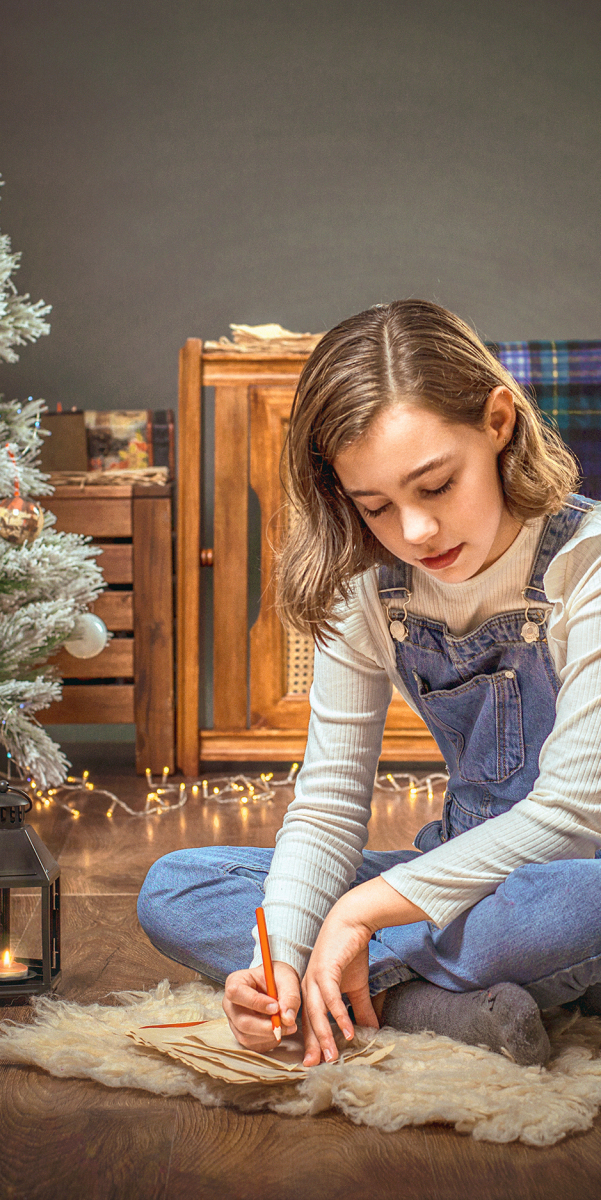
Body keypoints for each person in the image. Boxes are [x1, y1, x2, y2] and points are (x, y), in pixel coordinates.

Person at [138, 300, 601, 1068]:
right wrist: (279, 964)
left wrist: (359, 914)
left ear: (498, 422)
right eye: (376, 506)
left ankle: (380, 988)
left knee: (578, 903)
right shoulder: (368, 586)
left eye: (437, 485)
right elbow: (327, 805)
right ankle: (417, 1002)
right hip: (460, 880)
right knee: (178, 887)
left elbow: (578, 815)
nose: (415, 532)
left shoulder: (588, 565)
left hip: (573, 872)